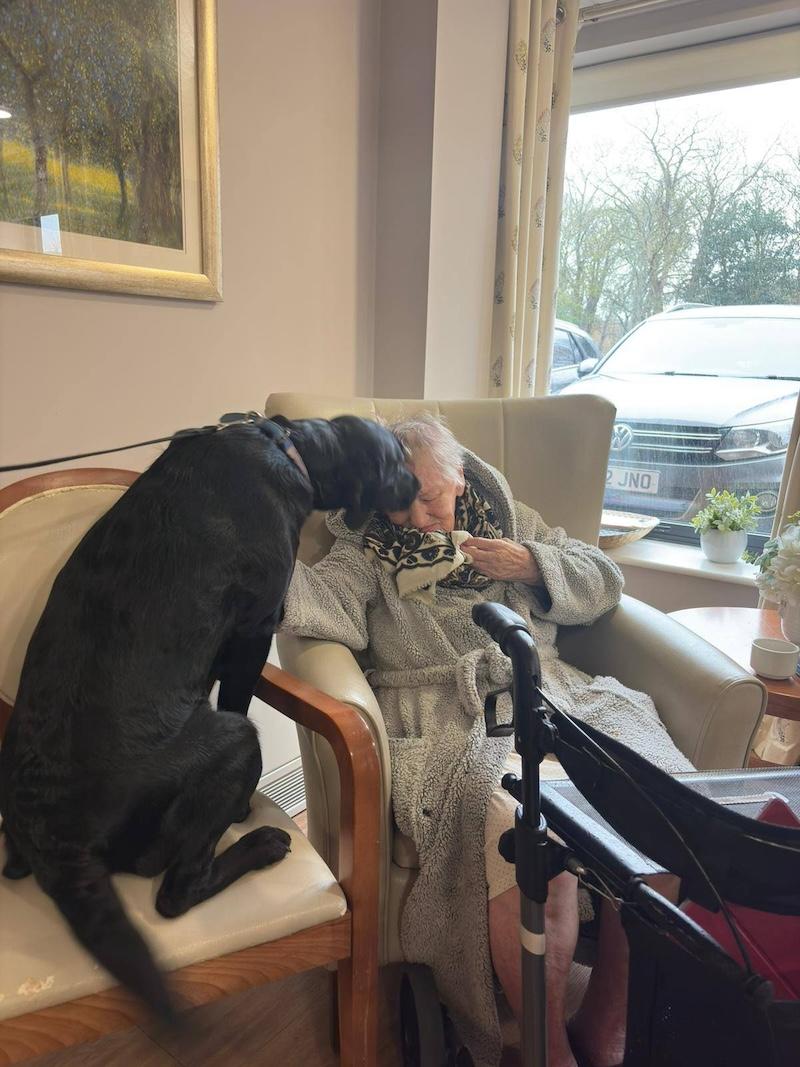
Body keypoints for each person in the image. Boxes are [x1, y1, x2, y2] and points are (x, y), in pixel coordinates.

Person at [281, 412, 693, 1067]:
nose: (415, 518)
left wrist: (532, 563)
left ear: (460, 476)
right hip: (452, 713)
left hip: (552, 695)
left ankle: (605, 1019)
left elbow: (601, 580)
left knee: (658, 807)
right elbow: (311, 603)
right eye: (397, 501)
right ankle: (547, 1049)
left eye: (428, 497)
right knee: (530, 840)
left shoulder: (509, 519)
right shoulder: (364, 549)